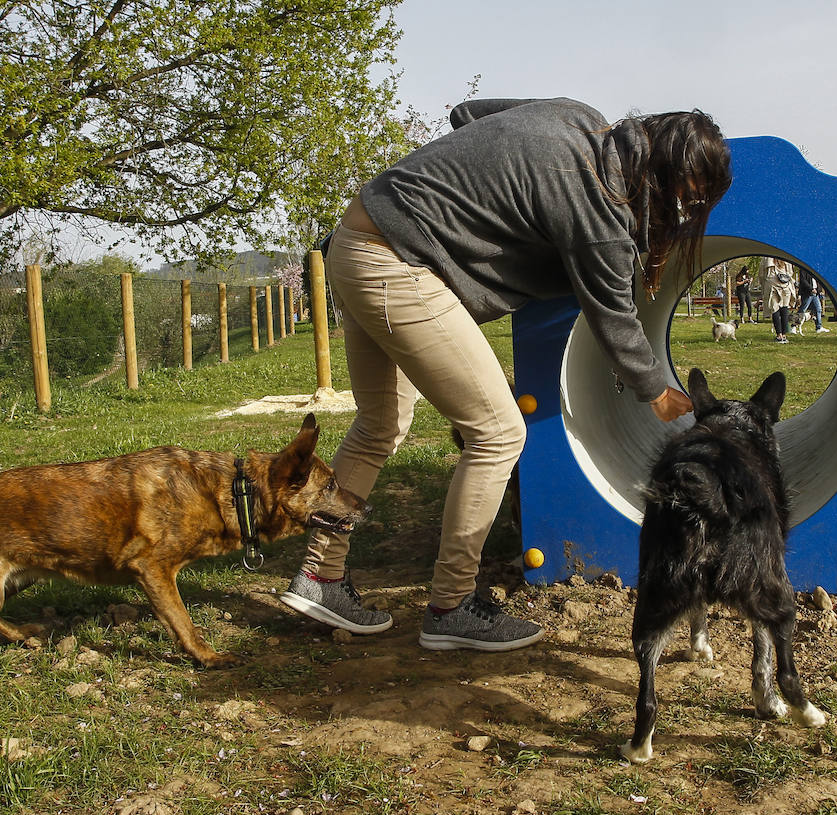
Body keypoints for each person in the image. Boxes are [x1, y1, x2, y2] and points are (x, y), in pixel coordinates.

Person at [276, 98, 732, 652]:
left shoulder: (575, 115)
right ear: (661, 176)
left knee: (379, 425)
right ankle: (451, 605)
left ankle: (319, 579)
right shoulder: (599, 210)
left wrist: (492, 192)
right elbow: (614, 316)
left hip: (353, 240)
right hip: (400, 265)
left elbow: (468, 115)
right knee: (498, 433)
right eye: (686, 197)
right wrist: (656, 390)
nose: (683, 211)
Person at [763, 257, 796, 343]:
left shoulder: (767, 258)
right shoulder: (785, 257)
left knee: (775, 310)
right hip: (785, 286)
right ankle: (784, 335)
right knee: (785, 309)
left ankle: (779, 335)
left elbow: (762, 274)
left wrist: (764, 286)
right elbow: (790, 273)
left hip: (772, 286)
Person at [796, 269, 829, 333]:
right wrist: (811, 289)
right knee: (802, 310)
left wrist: (819, 291)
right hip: (807, 293)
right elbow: (803, 281)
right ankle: (794, 325)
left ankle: (819, 327)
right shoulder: (803, 269)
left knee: (818, 309)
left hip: (815, 293)